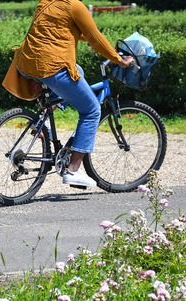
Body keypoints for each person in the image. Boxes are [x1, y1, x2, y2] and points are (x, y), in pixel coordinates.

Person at [17, 0, 134, 188]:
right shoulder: (75, 6)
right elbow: (95, 37)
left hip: (26, 64)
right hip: (52, 68)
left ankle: (42, 119)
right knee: (92, 111)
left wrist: (86, 38)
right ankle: (73, 170)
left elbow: (61, 29)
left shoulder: (46, 2)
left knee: (77, 71)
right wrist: (120, 60)